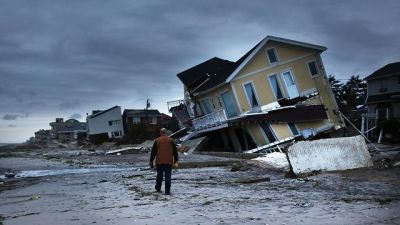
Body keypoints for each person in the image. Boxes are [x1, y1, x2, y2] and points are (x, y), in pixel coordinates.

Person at [149, 128, 178, 195]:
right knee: (168, 176)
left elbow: (154, 152)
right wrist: (176, 160)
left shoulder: (157, 140)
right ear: (166, 133)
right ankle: (167, 191)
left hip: (160, 161)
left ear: (160, 133)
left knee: (159, 176)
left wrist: (151, 161)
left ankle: (158, 188)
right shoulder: (170, 140)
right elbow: (175, 151)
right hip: (168, 161)